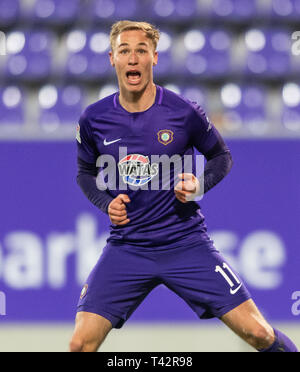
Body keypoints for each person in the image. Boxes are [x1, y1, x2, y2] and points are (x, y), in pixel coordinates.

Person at [69, 20, 298, 352]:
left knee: (259, 333)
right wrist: (106, 204)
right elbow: (84, 172)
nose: (133, 58)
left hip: (185, 243)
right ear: (112, 59)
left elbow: (221, 156)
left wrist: (199, 185)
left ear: (154, 58)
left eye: (141, 51)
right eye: (124, 51)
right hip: (127, 247)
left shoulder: (183, 112)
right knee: (80, 344)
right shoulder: (94, 119)